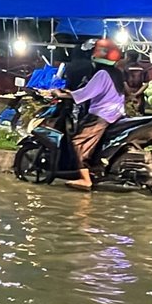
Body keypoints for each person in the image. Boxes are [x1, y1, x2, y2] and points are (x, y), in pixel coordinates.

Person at [52, 38, 126, 191]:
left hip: (102, 114)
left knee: (78, 141)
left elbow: (86, 93)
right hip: (116, 114)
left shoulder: (101, 74)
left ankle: (85, 180)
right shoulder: (116, 73)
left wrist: (63, 94)